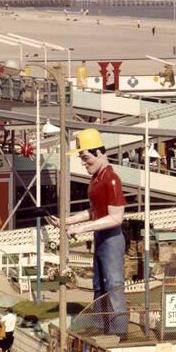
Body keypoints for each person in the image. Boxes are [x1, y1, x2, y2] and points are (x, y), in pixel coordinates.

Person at [49, 127, 129, 334]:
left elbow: (116, 217)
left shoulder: (112, 180)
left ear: (100, 153)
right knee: (99, 284)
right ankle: (100, 324)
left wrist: (82, 227)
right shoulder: (96, 179)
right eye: (82, 159)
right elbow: (94, 211)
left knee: (113, 284)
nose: (84, 164)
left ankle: (118, 330)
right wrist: (66, 221)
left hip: (111, 239)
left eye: (86, 158)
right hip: (100, 237)